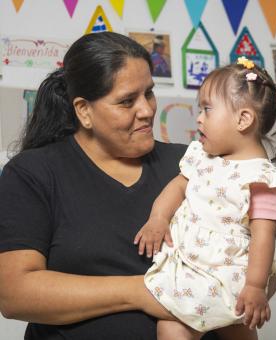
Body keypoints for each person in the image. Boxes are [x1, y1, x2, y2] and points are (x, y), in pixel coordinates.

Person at [0, 32, 218, 340]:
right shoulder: (33, 174)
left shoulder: (189, 164)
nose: (146, 110)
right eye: (127, 101)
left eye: (149, 93)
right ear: (84, 111)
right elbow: (15, 294)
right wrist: (143, 291)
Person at [134, 56, 276, 339]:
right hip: (192, 262)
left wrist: (254, 286)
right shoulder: (202, 157)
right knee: (180, 325)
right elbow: (177, 187)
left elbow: (264, 236)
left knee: (196, 326)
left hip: (234, 274)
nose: (199, 118)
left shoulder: (266, 180)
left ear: (243, 119)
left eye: (207, 109)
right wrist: (158, 218)